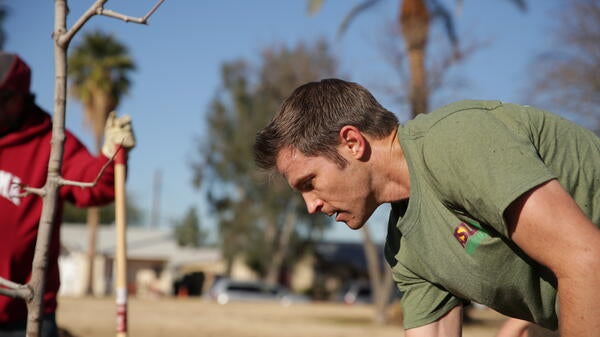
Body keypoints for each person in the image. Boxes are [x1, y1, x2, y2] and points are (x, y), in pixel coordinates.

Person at [254, 78, 600, 337]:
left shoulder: (456, 141)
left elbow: (586, 259)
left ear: (352, 143)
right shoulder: (405, 247)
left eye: (309, 182)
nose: (310, 206)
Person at [0, 52, 135, 337]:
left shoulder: (51, 142)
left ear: (22, 94)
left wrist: (111, 156)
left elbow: (94, 184)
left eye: (4, 98)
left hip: (26, 317)